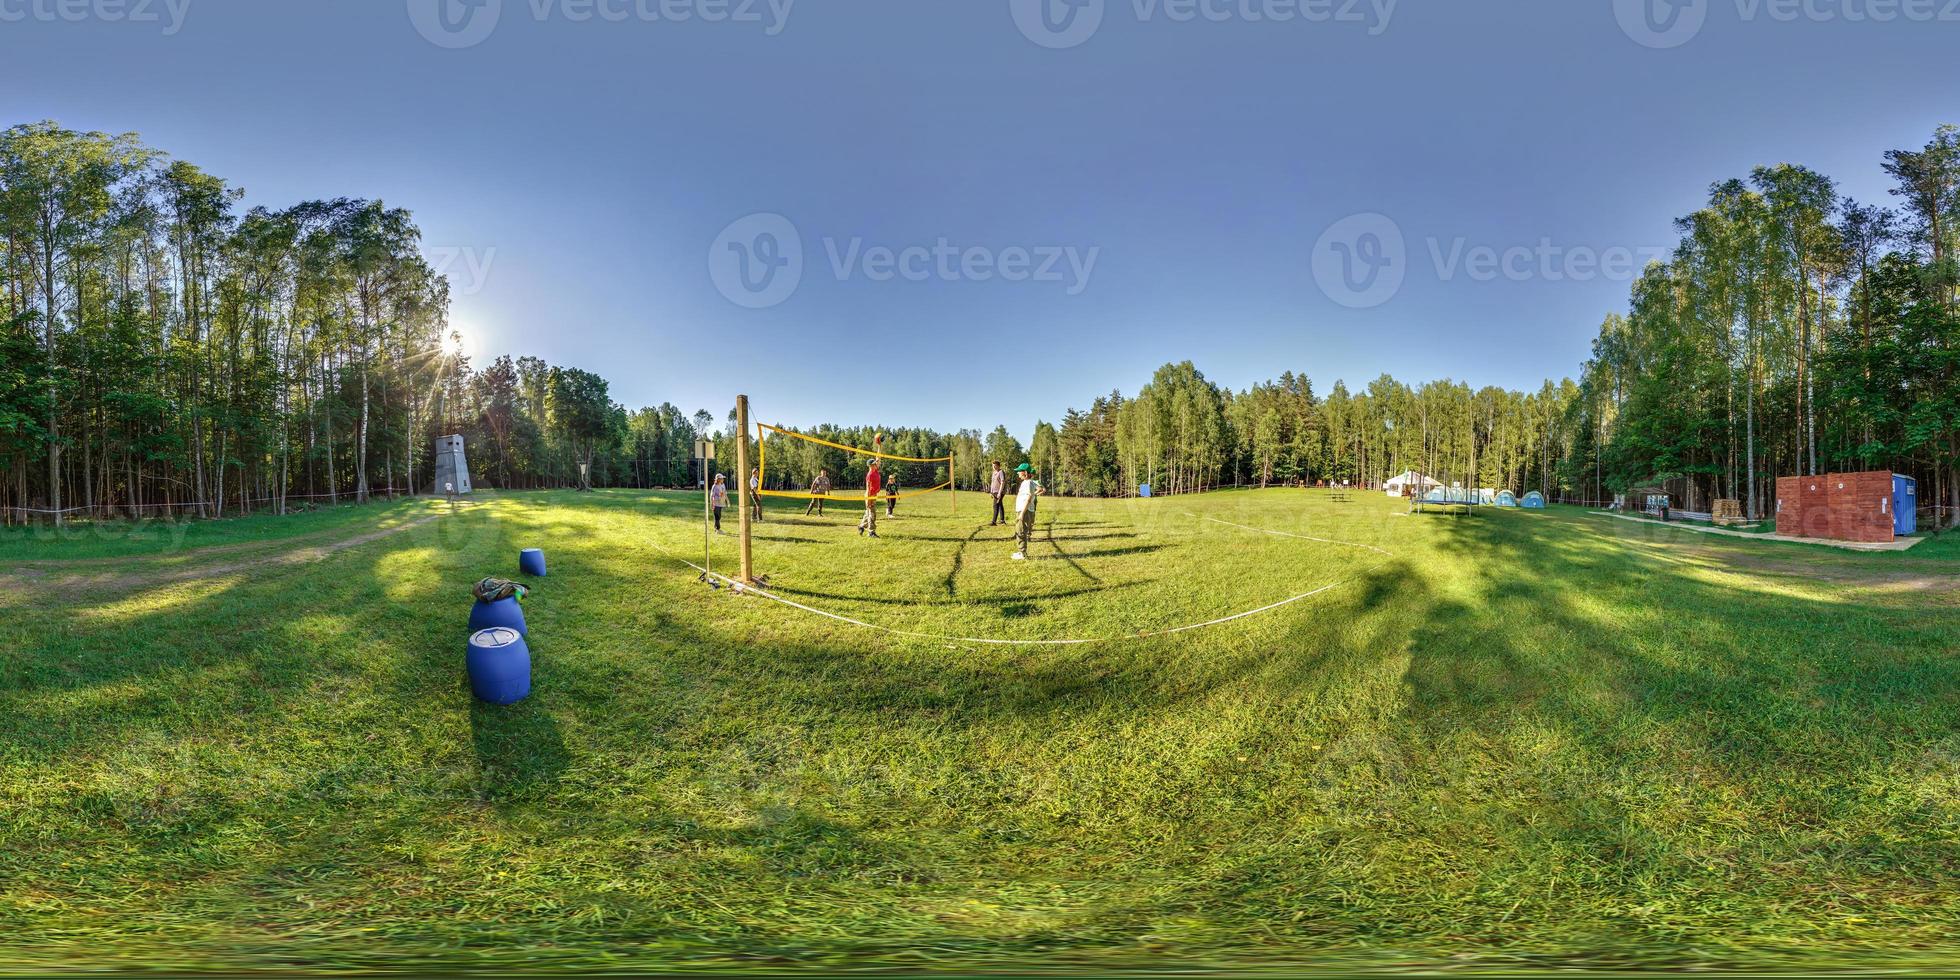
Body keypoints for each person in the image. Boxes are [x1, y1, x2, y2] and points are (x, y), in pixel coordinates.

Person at [1011, 463, 1042, 560]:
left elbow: (1028, 497)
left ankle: (1022, 553)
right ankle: (1022, 552)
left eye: (1019, 471)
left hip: (1024, 511)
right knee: (1021, 530)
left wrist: (1022, 513)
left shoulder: (1028, 483)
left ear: (1025, 472)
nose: (1018, 473)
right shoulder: (1029, 482)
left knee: (1020, 531)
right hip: (1025, 510)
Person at [858, 460, 882, 538]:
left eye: (876, 463)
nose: (876, 464)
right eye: (874, 464)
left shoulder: (875, 470)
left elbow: (879, 458)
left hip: (874, 495)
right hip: (869, 495)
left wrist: (879, 447)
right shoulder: (870, 475)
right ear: (871, 466)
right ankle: (871, 532)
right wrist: (869, 500)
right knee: (872, 514)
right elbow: (868, 488)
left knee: (868, 512)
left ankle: (861, 526)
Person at [988, 460, 1007, 526]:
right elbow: (992, 482)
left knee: (995, 505)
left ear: (998, 466)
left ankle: (994, 521)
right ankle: (1002, 520)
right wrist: (991, 492)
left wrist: (999, 492)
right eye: (993, 466)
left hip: (999, 492)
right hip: (994, 492)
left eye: (995, 465)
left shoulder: (1001, 472)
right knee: (1000, 505)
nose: (994, 467)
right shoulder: (994, 473)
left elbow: (1002, 482)